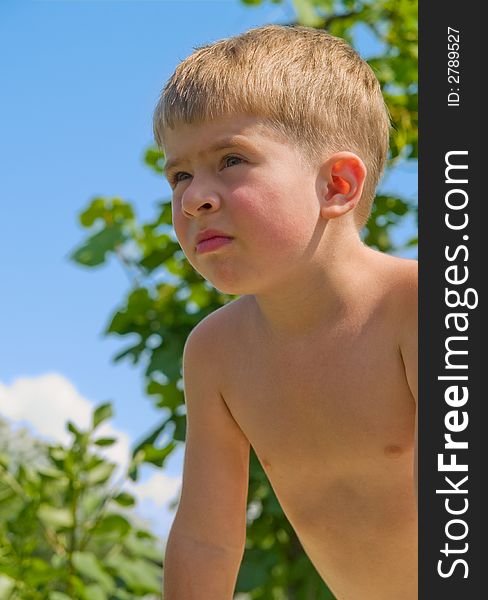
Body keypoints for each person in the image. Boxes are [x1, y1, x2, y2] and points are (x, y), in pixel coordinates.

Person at [154, 25, 417, 600]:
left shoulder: (419, 308)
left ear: (337, 185)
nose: (193, 196)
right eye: (179, 174)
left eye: (230, 159)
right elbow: (208, 540)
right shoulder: (216, 354)